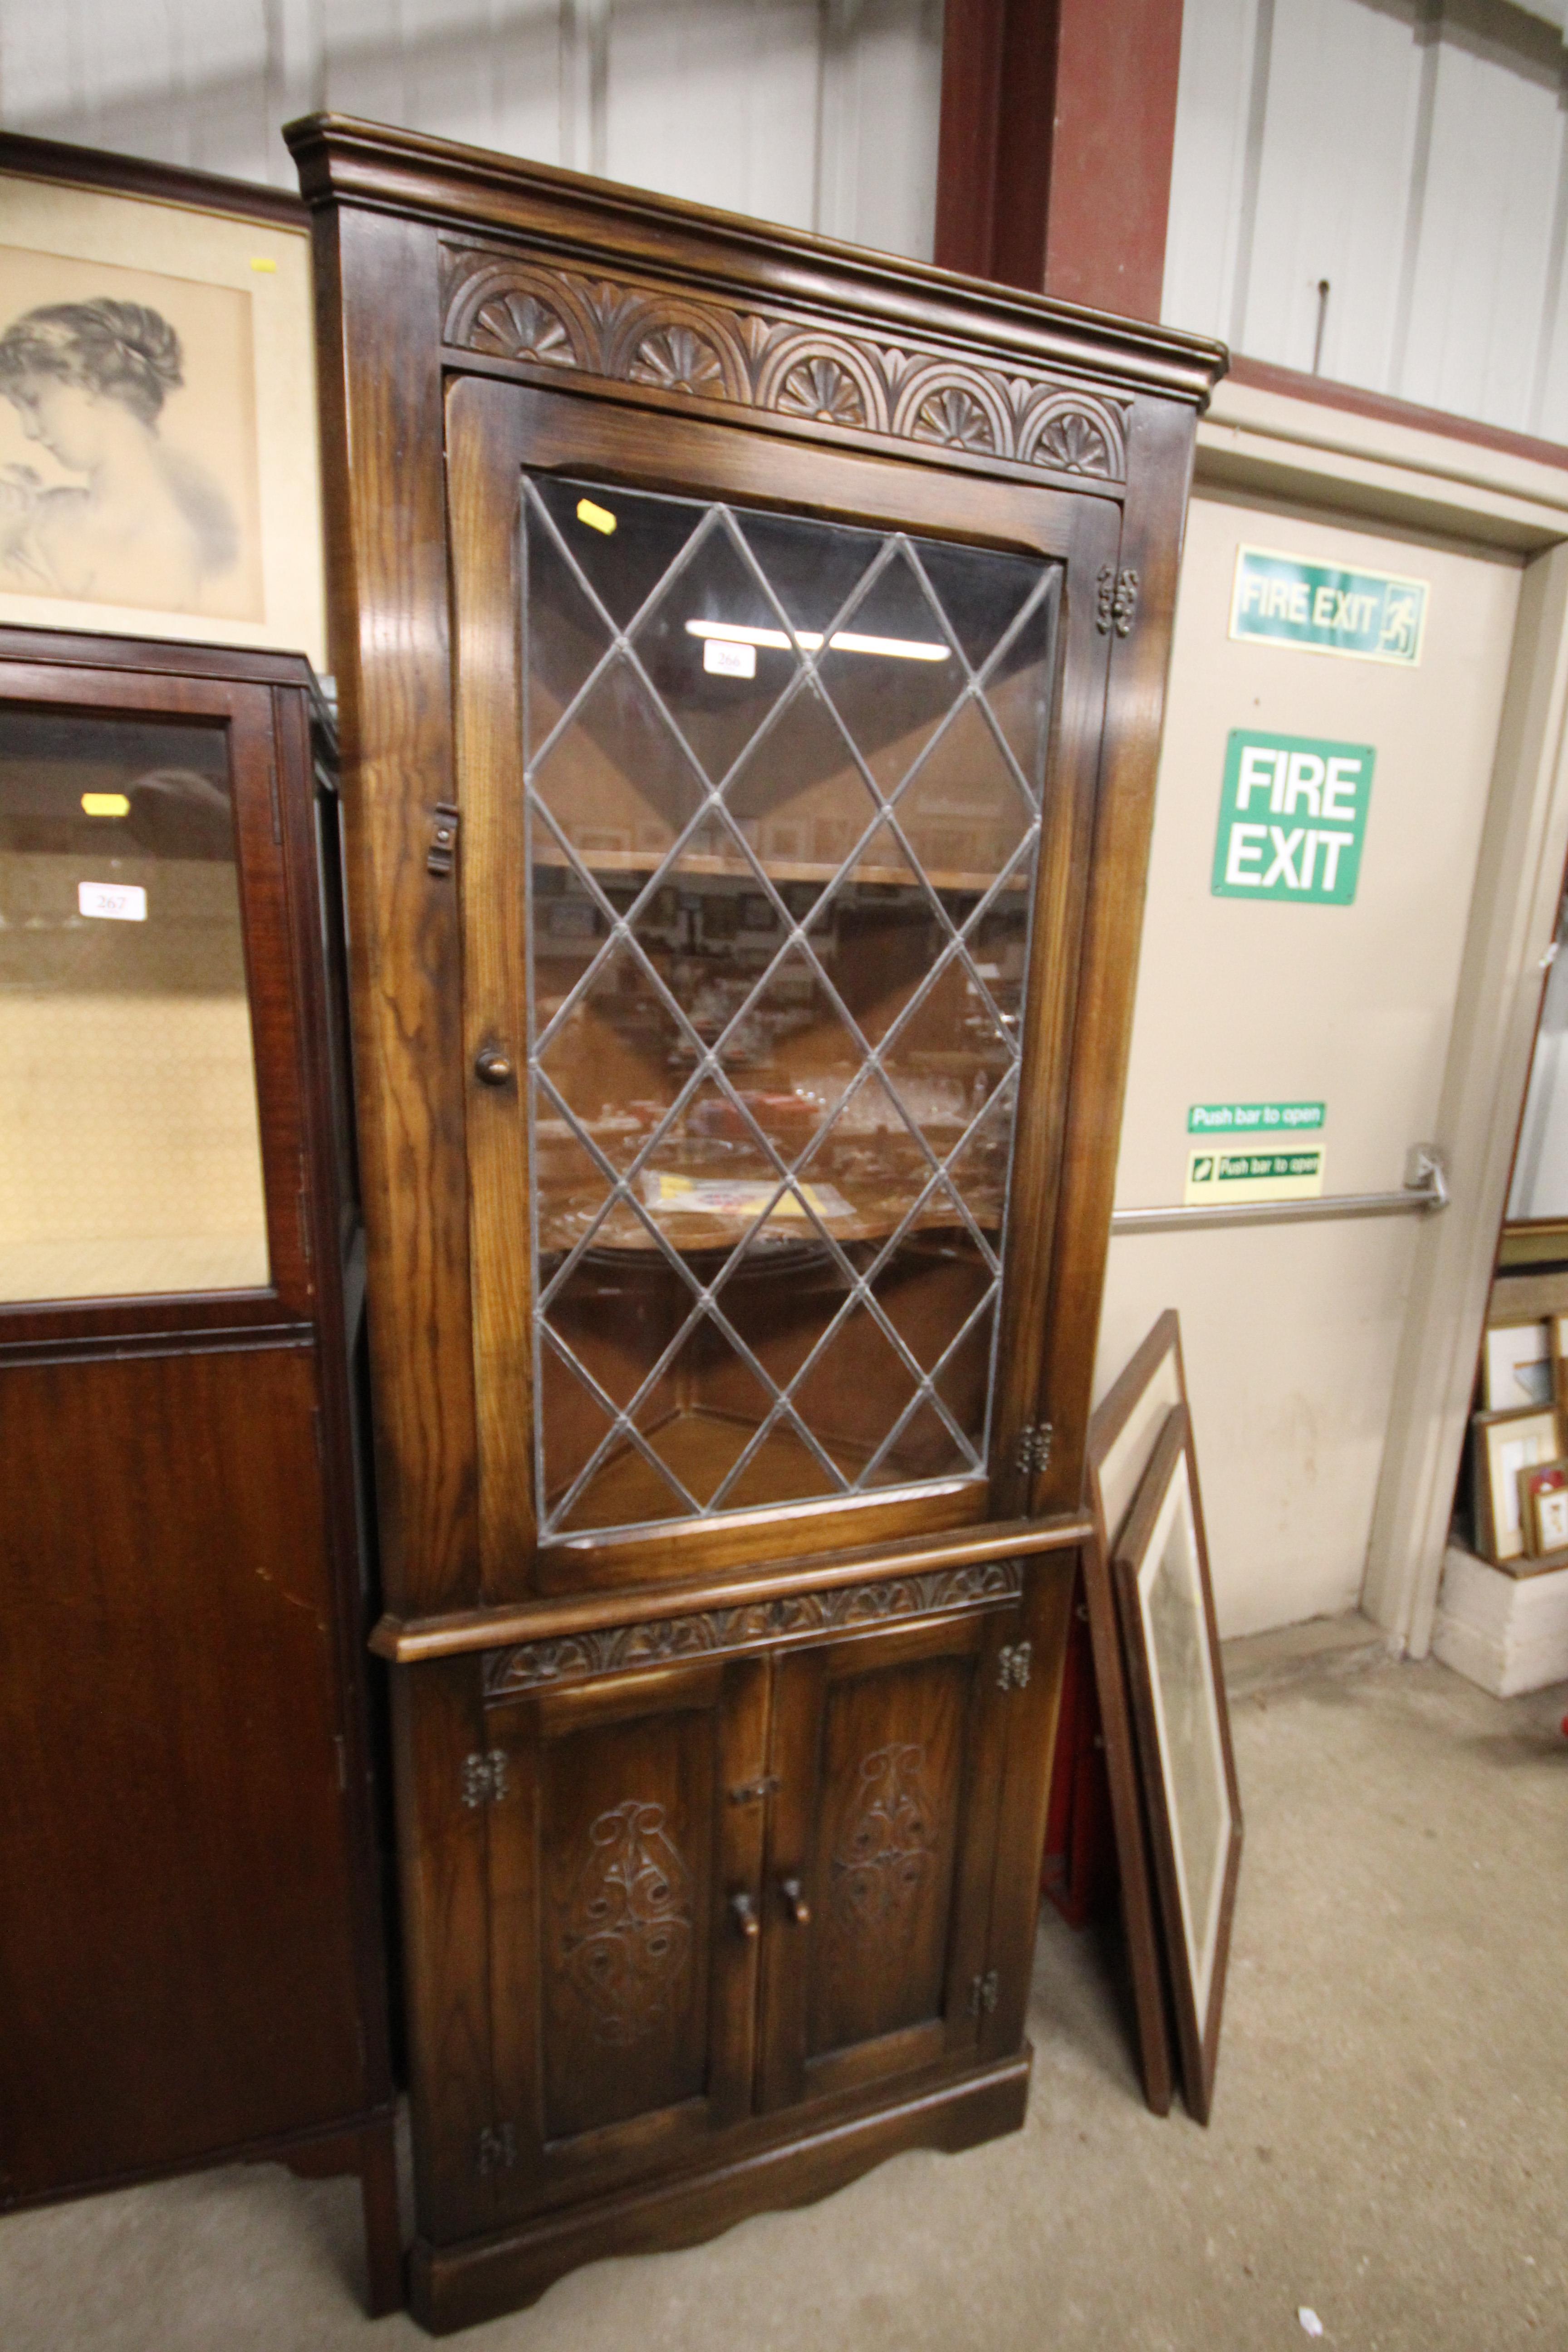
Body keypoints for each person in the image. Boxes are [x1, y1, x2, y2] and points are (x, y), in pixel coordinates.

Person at [0, 297, 236, 611]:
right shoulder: (49, 511)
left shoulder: (166, 552)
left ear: (89, 384)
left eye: (33, 402)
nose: (29, 430)